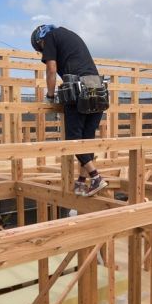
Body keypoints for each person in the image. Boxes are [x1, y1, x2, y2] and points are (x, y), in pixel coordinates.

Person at [31, 24, 108, 196]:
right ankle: (81, 182)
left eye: (41, 50)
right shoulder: (70, 35)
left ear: (40, 41)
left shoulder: (49, 37)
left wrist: (50, 97)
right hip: (97, 86)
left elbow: (51, 70)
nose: (43, 53)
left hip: (78, 88)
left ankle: (95, 178)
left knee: (73, 140)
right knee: (86, 140)